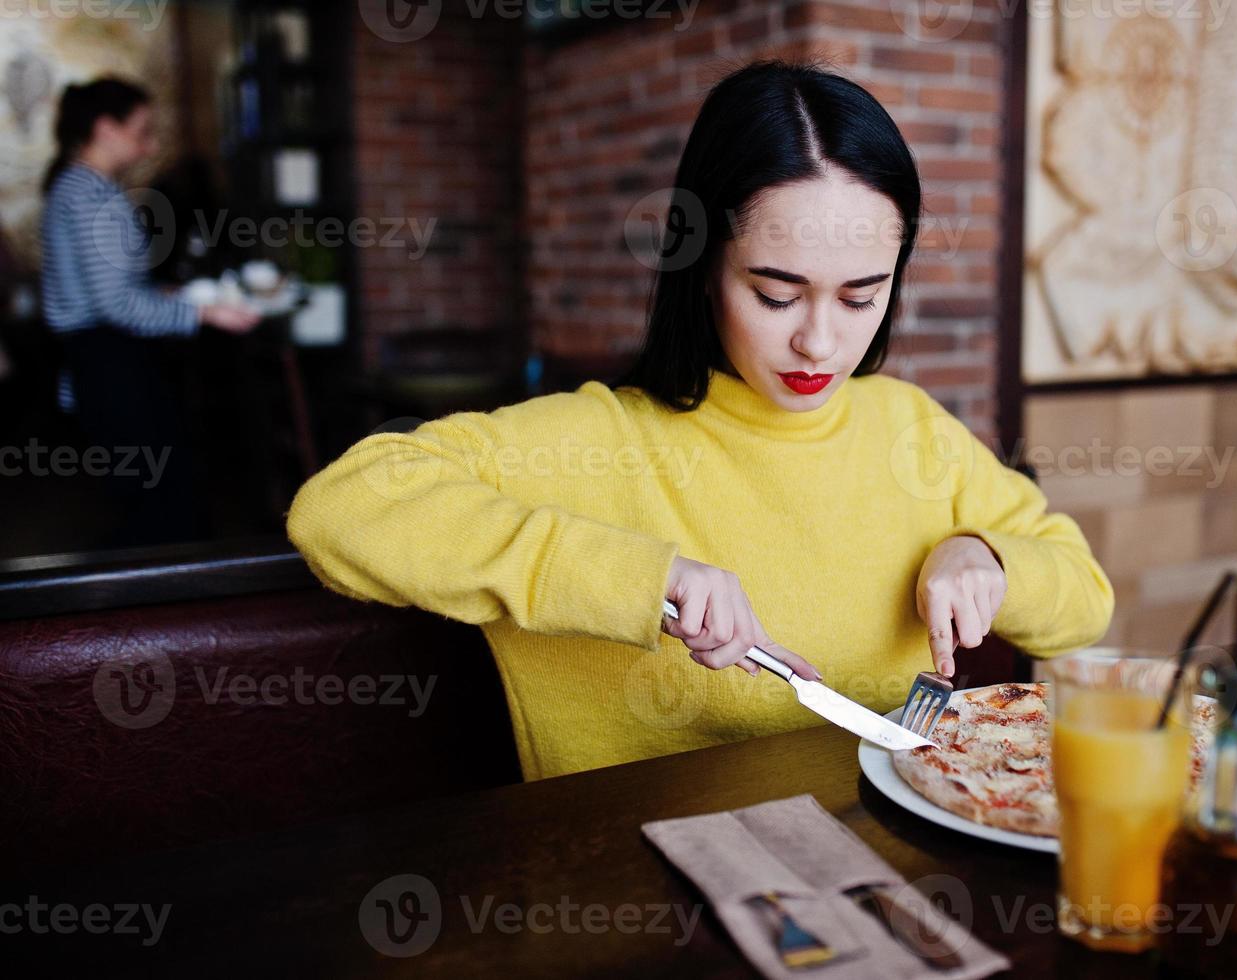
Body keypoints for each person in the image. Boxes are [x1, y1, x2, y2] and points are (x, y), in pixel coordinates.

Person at [287, 60, 1114, 781]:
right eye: (775, 293)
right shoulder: (599, 443)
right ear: (702, 268)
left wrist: (988, 560)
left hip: (892, 876)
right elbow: (340, 508)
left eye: (862, 294)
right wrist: (641, 580)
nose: (820, 341)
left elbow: (1083, 598)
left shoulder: (910, 430)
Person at [39, 77, 260, 546]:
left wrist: (171, 293)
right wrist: (205, 314)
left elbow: (118, 288)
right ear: (105, 128)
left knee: (155, 494)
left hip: (105, 359)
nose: (152, 144)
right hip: (109, 361)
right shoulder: (88, 195)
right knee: (161, 504)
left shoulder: (82, 189)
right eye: (142, 130)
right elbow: (116, 305)